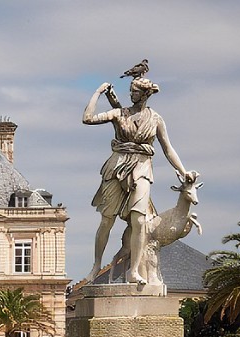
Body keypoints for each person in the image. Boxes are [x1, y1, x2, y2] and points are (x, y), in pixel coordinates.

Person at [83, 76, 195, 283]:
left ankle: (134, 270)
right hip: (116, 167)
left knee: (140, 220)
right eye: (131, 91)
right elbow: (88, 118)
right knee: (107, 220)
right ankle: (96, 266)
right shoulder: (119, 113)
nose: (131, 94)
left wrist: (183, 170)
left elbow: (168, 149)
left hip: (142, 167)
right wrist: (98, 92)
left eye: (134, 91)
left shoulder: (156, 119)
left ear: (145, 95)